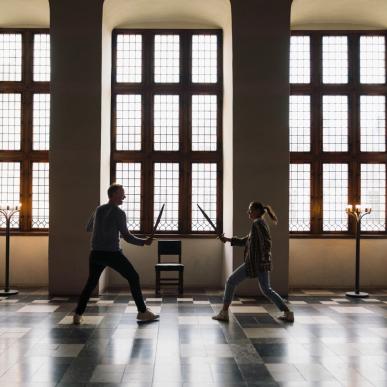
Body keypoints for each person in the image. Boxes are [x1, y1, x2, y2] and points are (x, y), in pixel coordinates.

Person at [73, 183, 158, 324]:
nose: (124, 196)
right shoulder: (119, 213)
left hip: (96, 254)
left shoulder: (99, 209)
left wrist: (103, 229)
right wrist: (144, 242)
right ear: (113, 195)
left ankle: (78, 314)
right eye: (121, 193)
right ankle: (143, 312)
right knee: (134, 277)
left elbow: (88, 228)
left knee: (90, 283)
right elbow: (127, 236)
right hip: (112, 254)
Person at [212, 201, 294, 322]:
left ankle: (224, 312)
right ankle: (288, 313)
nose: (248, 212)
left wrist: (258, 262)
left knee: (231, 281)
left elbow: (265, 244)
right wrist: (227, 240)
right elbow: (246, 241)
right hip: (260, 263)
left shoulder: (257, 224)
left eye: (250, 210)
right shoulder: (259, 223)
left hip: (255, 263)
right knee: (267, 290)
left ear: (256, 211)